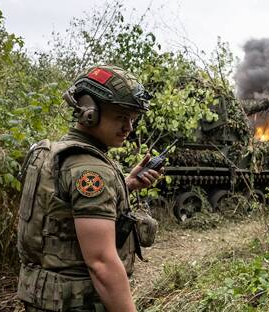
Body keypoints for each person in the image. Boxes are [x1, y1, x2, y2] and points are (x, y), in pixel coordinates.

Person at [16, 65, 162, 311]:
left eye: (132, 119)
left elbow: (61, 211)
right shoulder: (90, 169)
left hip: (43, 297)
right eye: (120, 117)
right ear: (89, 111)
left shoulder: (50, 152)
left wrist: (127, 184)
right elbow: (102, 263)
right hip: (76, 302)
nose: (129, 128)